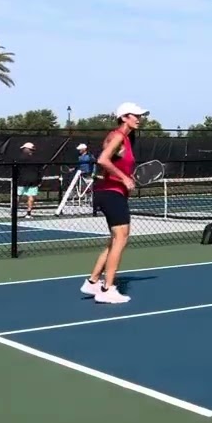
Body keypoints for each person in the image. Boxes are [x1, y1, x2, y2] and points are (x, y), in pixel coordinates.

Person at [80, 102, 148, 304]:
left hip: (110, 191)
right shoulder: (118, 136)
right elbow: (103, 160)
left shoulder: (121, 138)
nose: (139, 119)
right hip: (110, 193)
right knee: (121, 238)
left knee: (115, 240)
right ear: (124, 117)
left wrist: (125, 177)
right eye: (136, 115)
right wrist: (124, 178)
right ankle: (107, 289)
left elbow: (113, 161)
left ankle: (93, 281)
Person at [16, 142, 43, 218]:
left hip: (22, 180)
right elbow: (40, 171)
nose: (23, 150)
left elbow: (17, 170)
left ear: (28, 149)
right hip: (33, 180)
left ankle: (14, 212)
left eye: (24, 148)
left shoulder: (20, 159)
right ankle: (28, 213)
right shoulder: (38, 159)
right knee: (30, 196)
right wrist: (39, 180)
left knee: (18, 195)